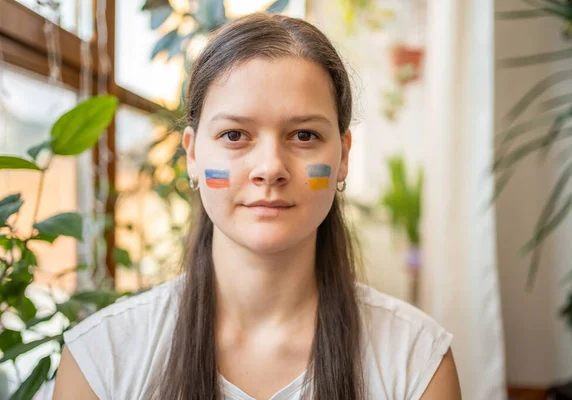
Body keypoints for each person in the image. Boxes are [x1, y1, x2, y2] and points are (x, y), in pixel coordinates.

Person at [53, 12, 461, 400]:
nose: (270, 168)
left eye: (303, 135)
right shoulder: (101, 358)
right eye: (234, 135)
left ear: (344, 156)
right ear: (193, 156)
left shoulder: (416, 360)